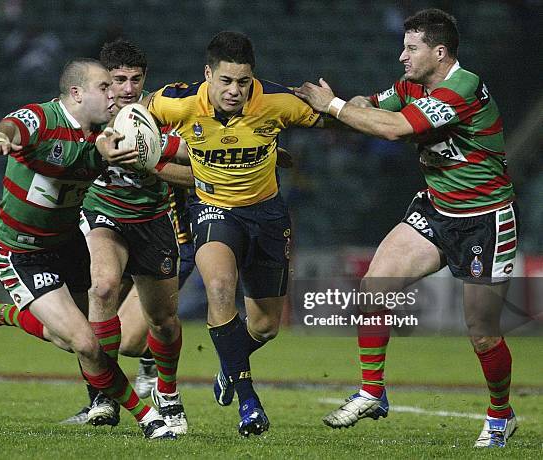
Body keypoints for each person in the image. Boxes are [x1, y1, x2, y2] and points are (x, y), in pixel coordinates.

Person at [295, 8, 519, 448]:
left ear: (439, 51)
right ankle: (373, 391)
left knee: (482, 331)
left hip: (484, 219)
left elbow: (396, 128)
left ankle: (500, 414)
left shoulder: (463, 87)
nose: (402, 56)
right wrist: (331, 107)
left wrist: (335, 107)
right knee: (374, 285)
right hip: (437, 210)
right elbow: (372, 108)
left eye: (411, 48)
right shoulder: (412, 86)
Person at [98, 31, 322, 437]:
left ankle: (229, 364)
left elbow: (336, 118)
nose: (235, 90)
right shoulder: (171, 103)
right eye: (226, 81)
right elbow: (132, 122)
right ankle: (248, 402)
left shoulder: (277, 102)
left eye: (243, 82)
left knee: (266, 326)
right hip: (208, 213)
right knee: (217, 287)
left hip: (266, 214)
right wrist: (112, 142)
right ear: (208, 75)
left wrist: (350, 106)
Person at [0, 58, 176, 440]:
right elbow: (11, 127)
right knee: (83, 342)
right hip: (24, 252)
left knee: (81, 339)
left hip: (69, 245)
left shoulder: (108, 132)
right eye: (105, 88)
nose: (115, 95)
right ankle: (146, 417)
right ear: (76, 94)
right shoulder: (42, 119)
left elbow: (161, 147)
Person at [71, 39, 191, 433]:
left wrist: (155, 157)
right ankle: (102, 396)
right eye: (118, 80)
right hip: (104, 213)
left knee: (164, 322)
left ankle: (168, 394)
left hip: (154, 221)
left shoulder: (161, 117)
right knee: (103, 288)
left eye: (135, 79)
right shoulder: (88, 117)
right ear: (104, 82)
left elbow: (197, 170)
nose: (127, 88)